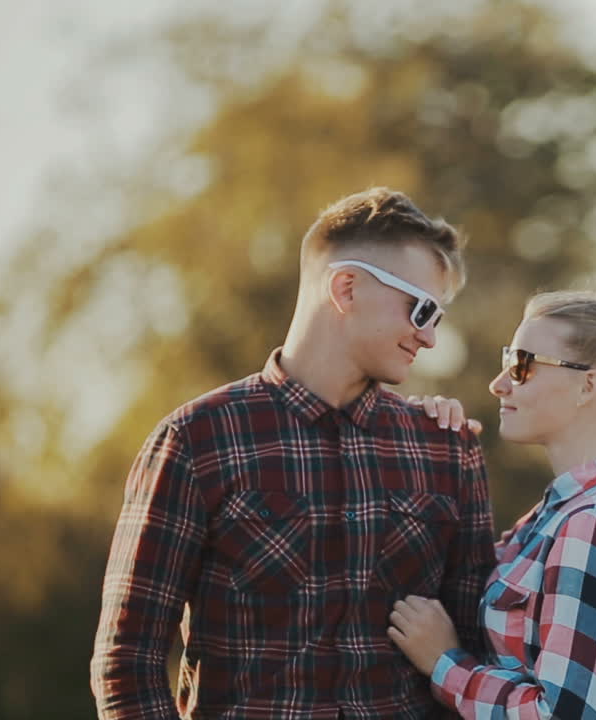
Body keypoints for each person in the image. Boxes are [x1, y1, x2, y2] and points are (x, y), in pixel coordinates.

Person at [90, 188, 496, 719]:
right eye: (420, 309)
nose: (429, 337)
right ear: (346, 289)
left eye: (437, 317)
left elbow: (477, 652)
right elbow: (128, 661)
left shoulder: (448, 449)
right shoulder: (197, 441)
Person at [390, 288, 596, 719]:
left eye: (522, 365)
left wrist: (444, 663)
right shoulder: (562, 515)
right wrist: (426, 440)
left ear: (587, 385)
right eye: (508, 359)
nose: (499, 383)